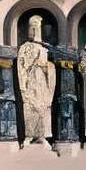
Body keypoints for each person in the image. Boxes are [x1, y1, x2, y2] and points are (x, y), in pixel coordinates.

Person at [16, 14, 55, 145]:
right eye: (31, 28)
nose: (32, 31)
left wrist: (46, 66)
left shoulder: (45, 49)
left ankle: (42, 136)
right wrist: (23, 84)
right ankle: (29, 135)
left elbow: (50, 69)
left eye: (36, 28)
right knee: (30, 108)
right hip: (30, 83)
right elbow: (21, 67)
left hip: (43, 84)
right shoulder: (24, 47)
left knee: (43, 109)